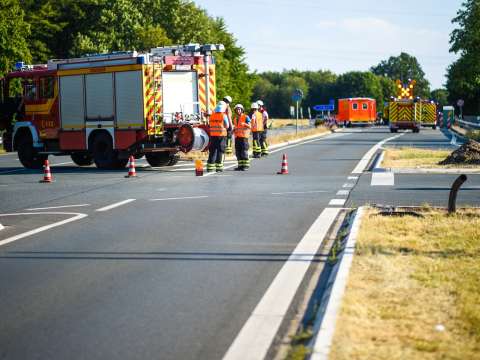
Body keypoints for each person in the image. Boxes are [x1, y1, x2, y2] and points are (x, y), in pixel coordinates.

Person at [207, 101, 229, 172]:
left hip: (213, 136)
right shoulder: (224, 115)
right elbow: (227, 126)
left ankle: (210, 167)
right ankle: (219, 167)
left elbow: (210, 125)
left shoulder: (212, 115)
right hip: (221, 136)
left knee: (212, 151)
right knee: (220, 151)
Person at [232, 104, 251, 171]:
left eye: (239, 109)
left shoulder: (246, 117)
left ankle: (245, 166)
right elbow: (236, 127)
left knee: (244, 151)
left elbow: (250, 126)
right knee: (238, 152)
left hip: (244, 137)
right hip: (237, 137)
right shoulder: (235, 119)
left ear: (242, 110)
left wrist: (244, 124)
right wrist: (233, 130)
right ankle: (240, 166)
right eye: (237, 109)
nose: (238, 110)